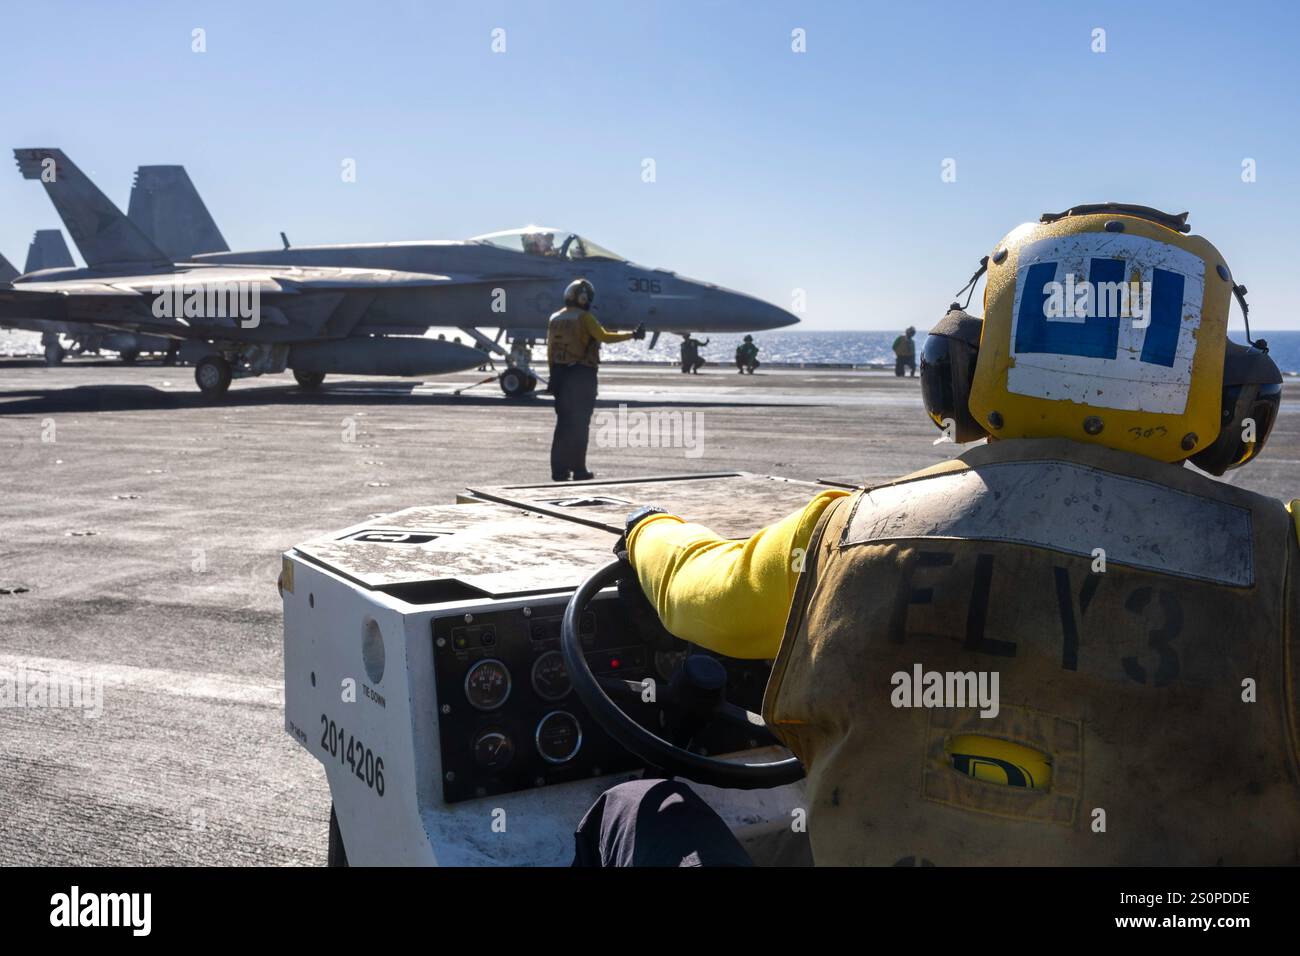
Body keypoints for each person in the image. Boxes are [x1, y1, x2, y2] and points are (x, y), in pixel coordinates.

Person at [574, 203, 1296, 866]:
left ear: (956, 374)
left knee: (639, 808)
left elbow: (704, 594)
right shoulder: (1281, 558)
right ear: (1238, 402)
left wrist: (649, 530)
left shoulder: (849, 531)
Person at [546, 278, 645, 481]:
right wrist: (632, 335)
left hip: (559, 375)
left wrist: (553, 377)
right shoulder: (584, 318)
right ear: (583, 297)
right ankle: (579, 470)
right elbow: (604, 336)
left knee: (563, 425)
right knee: (580, 425)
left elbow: (550, 351)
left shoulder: (554, 318)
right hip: (581, 376)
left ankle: (558, 470)